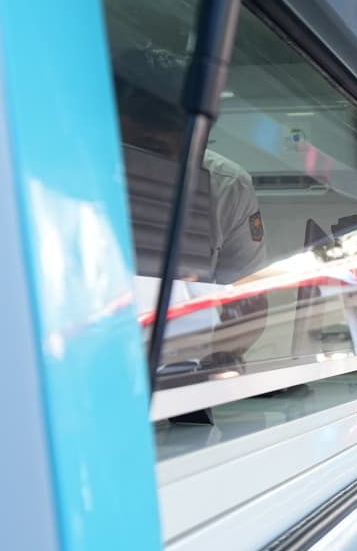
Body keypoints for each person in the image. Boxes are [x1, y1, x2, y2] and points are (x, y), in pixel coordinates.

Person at [115, 47, 272, 362]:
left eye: (192, 152)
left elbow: (248, 303)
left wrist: (216, 360)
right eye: (154, 150)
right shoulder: (61, 176)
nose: (176, 170)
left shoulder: (228, 187)